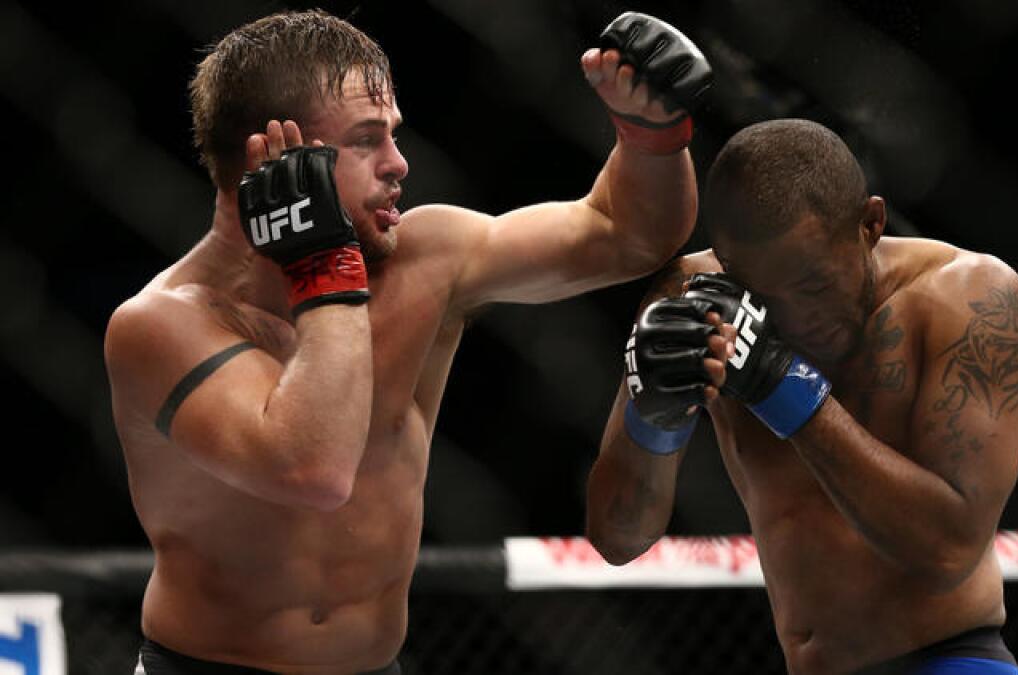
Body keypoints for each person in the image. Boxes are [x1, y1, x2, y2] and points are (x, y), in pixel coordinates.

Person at [103, 8, 710, 674]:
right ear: (275, 160)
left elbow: (626, 234)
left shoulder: (425, 259)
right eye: (367, 140)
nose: (399, 163)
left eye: (393, 134)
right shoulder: (160, 325)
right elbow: (313, 467)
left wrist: (653, 136)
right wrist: (323, 266)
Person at [586, 118, 1018, 675]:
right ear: (727, 266)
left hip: (948, 660)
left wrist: (784, 387)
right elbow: (618, 537)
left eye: (815, 286)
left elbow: (948, 551)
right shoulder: (694, 302)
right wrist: (651, 413)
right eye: (766, 296)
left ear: (870, 224)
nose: (797, 318)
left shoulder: (969, 300)